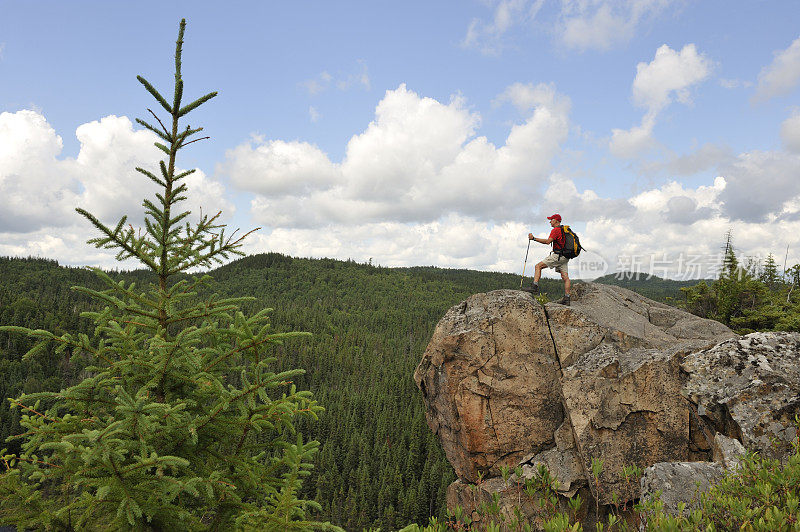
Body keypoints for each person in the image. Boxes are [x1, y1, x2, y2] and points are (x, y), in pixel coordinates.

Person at [523, 213, 571, 305]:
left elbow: (548, 242)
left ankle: (534, 286)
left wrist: (534, 238)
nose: (550, 222)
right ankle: (567, 298)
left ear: (556, 220)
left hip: (557, 256)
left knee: (538, 266)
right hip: (565, 257)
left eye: (551, 220)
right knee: (565, 277)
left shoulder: (556, 230)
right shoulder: (564, 230)